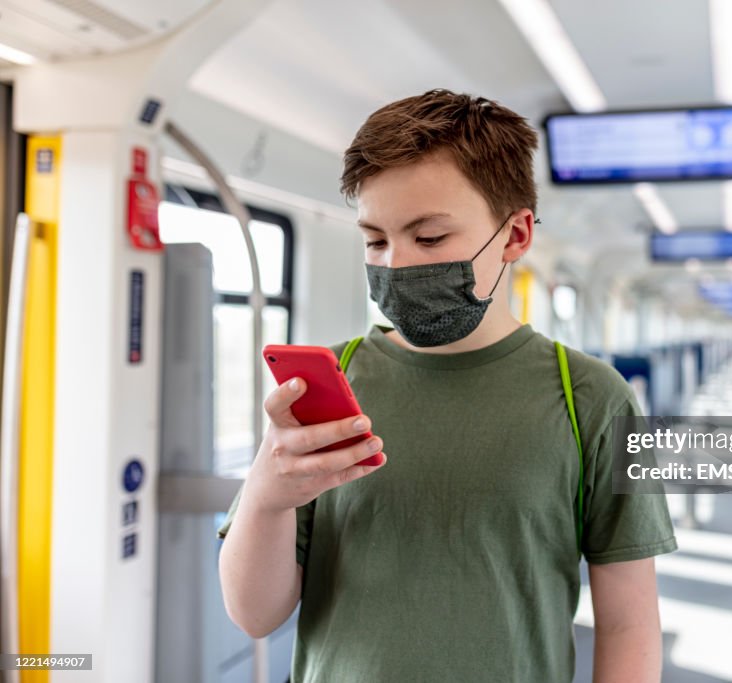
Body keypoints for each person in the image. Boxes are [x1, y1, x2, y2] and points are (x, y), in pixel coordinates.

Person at [217, 89, 677, 682]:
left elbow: (629, 624)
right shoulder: (325, 387)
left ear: (515, 236)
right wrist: (267, 496)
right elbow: (255, 616)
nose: (394, 265)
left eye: (429, 238)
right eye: (375, 240)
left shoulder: (594, 398)